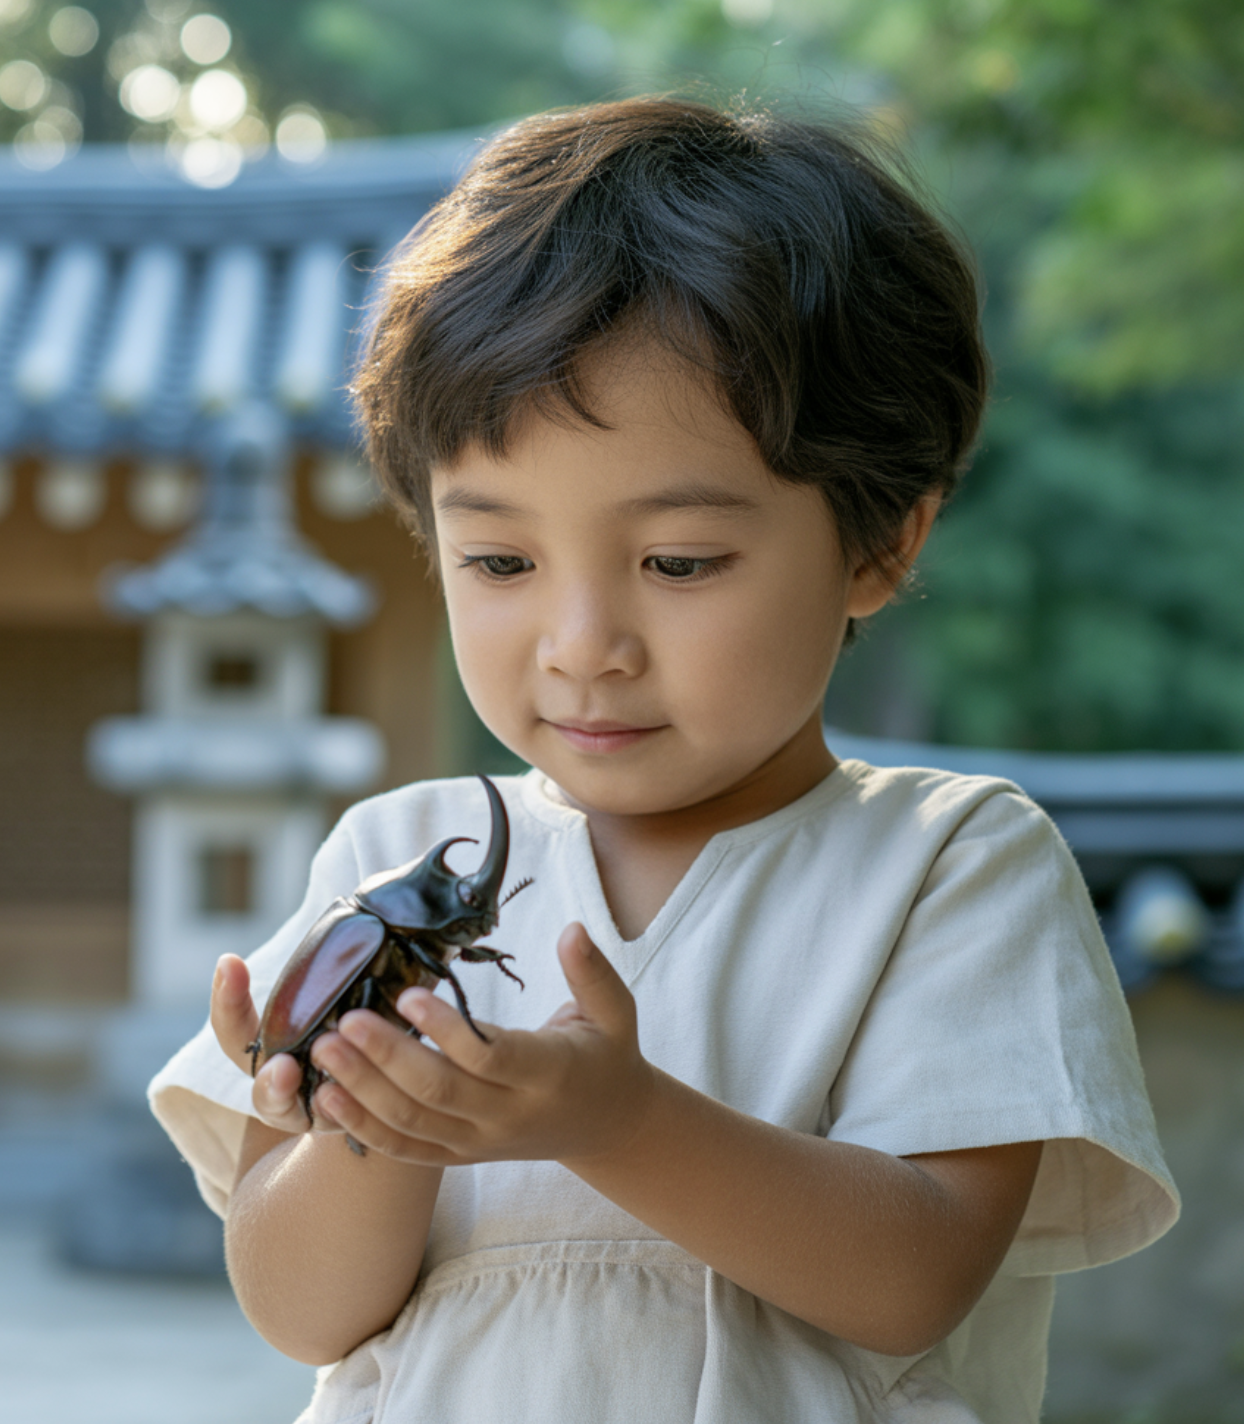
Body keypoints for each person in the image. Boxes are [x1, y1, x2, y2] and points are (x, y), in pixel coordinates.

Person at [150, 97, 1177, 1423]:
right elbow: (303, 1311)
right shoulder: (388, 853)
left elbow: (914, 1275)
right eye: (502, 560)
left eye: (677, 562)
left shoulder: (951, 863)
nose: (582, 646)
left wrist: (622, 1119)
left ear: (882, 544)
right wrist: (379, 1116)